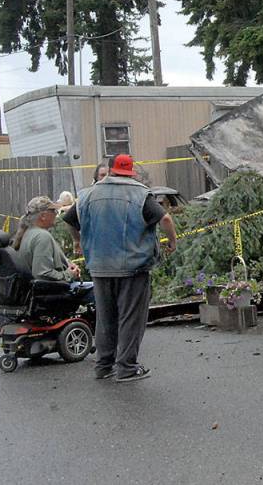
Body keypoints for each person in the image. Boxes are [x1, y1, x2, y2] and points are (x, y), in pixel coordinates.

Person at [63, 154, 177, 382]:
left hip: (99, 267)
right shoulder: (140, 194)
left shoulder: (88, 194)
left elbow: (68, 219)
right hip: (132, 268)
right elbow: (165, 220)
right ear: (131, 172)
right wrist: (172, 241)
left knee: (105, 318)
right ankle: (126, 368)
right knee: (131, 318)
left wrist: (77, 241)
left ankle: (103, 367)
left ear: (111, 170)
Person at [13, 196, 80, 283]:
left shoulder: (28, 233)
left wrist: (68, 263)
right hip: (53, 293)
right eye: (53, 211)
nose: (56, 213)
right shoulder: (42, 236)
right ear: (43, 216)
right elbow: (42, 274)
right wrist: (70, 274)